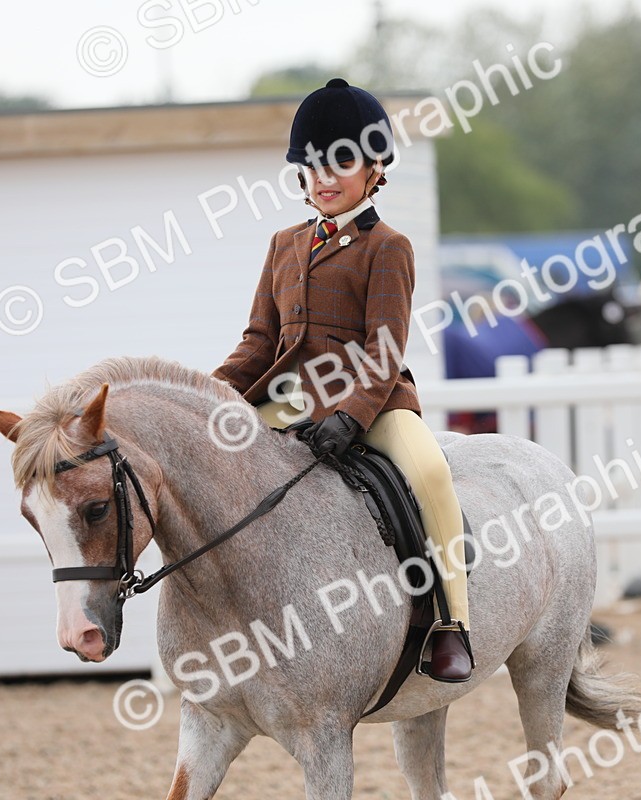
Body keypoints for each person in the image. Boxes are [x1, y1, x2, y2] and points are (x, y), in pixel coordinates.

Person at [211, 78, 473, 682]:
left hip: (373, 401)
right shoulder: (284, 244)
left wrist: (351, 417)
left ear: (374, 167)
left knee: (429, 472)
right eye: (312, 166)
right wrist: (208, 396)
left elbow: (384, 351)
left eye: (341, 162)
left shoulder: (388, 247)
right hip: (292, 400)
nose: (324, 177)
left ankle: (449, 620)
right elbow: (259, 344)